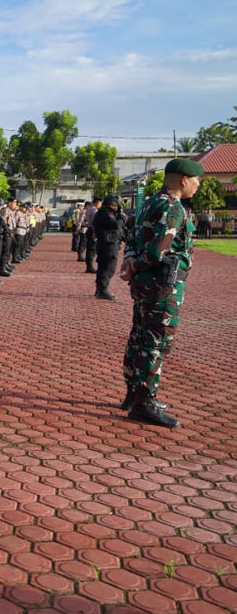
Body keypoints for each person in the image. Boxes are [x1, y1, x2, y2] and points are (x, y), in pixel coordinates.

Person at [119, 158, 204, 428]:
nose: (198, 185)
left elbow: (131, 238)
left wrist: (131, 261)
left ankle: (133, 393)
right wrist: (140, 261)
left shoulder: (149, 203)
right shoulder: (173, 207)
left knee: (139, 336)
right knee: (156, 342)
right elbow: (158, 251)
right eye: (197, 180)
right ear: (183, 180)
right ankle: (146, 402)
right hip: (163, 284)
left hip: (144, 282)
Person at [93, 194, 127, 300]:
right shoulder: (105, 213)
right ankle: (102, 289)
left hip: (109, 243)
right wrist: (122, 218)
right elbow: (116, 225)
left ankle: (100, 289)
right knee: (108, 267)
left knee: (104, 267)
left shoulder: (106, 212)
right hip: (108, 244)